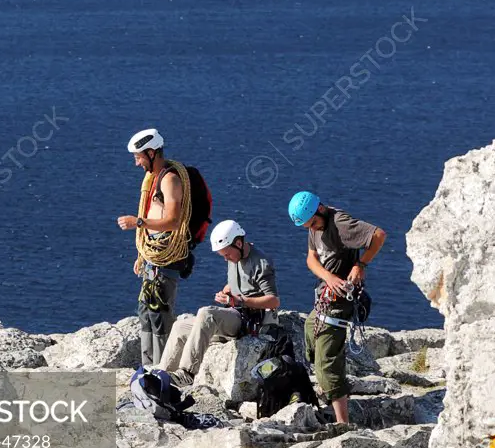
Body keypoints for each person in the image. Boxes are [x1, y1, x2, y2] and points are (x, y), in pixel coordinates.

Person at [288, 191, 386, 425]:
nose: (311, 228)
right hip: (326, 293)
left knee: (326, 361)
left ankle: (343, 423)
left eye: (312, 223)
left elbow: (379, 235)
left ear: (320, 210)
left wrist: (361, 264)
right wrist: (329, 277)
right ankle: (332, 391)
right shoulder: (315, 224)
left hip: (340, 300)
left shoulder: (340, 224)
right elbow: (311, 258)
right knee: (311, 331)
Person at [158, 219, 279, 389]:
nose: (225, 259)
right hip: (235, 312)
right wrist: (226, 291)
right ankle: (163, 375)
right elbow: (240, 282)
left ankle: (186, 374)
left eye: (227, 255)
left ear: (238, 243)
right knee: (180, 326)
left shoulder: (261, 263)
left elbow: (273, 300)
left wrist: (240, 301)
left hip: (249, 320)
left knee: (206, 314)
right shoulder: (235, 257)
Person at [117, 128, 192, 366]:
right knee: (146, 312)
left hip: (165, 259)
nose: (137, 162)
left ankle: (163, 369)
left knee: (160, 313)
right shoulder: (153, 178)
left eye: (139, 156)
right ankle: (148, 367)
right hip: (152, 258)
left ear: (151, 152)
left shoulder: (169, 179)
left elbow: (173, 221)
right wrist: (142, 254)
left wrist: (137, 222)